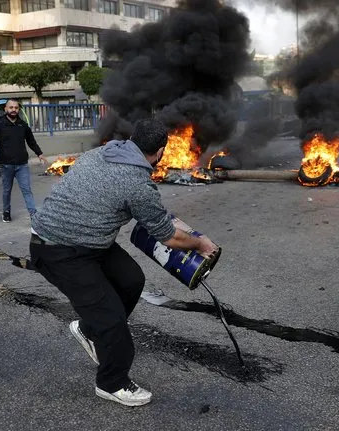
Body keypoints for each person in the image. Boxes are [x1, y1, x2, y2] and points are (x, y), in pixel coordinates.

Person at [29, 118, 218, 407]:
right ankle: (112, 382)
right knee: (113, 319)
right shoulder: (136, 183)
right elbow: (168, 238)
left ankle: (87, 329)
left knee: (131, 280)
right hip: (58, 249)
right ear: (159, 152)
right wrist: (201, 243)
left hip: (90, 240)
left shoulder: (101, 152)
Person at [0, 99, 48, 222]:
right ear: (6, 109)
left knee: (27, 190)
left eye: (16, 107)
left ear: (18, 109)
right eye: (11, 107)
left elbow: (31, 141)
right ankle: (6, 212)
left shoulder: (23, 125)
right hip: (6, 165)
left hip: (22, 165)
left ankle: (33, 214)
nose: (13, 109)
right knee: (6, 191)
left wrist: (39, 154)